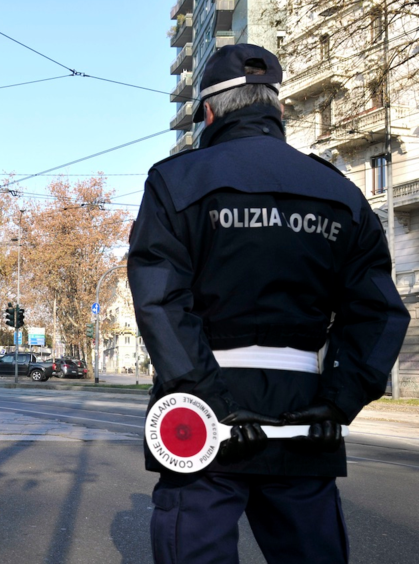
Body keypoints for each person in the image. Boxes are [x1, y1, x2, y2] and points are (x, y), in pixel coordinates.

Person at [127, 43, 409, 563]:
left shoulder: (175, 182)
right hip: (305, 413)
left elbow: (160, 301)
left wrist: (206, 395)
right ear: (277, 110)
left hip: (205, 417)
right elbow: (379, 312)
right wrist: (340, 399)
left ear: (208, 112)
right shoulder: (340, 193)